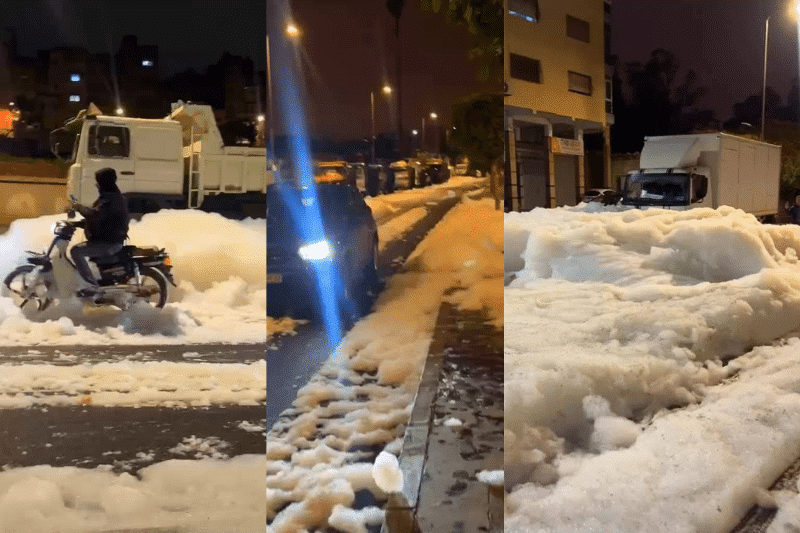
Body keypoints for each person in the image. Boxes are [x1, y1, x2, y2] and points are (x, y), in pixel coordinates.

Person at [70, 167, 130, 296]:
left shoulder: (111, 198)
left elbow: (96, 214)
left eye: (98, 182)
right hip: (106, 239)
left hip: (110, 243)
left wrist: (79, 207)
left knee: (76, 252)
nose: (97, 185)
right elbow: (102, 219)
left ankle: (92, 285)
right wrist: (77, 224)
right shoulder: (110, 195)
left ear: (104, 182)